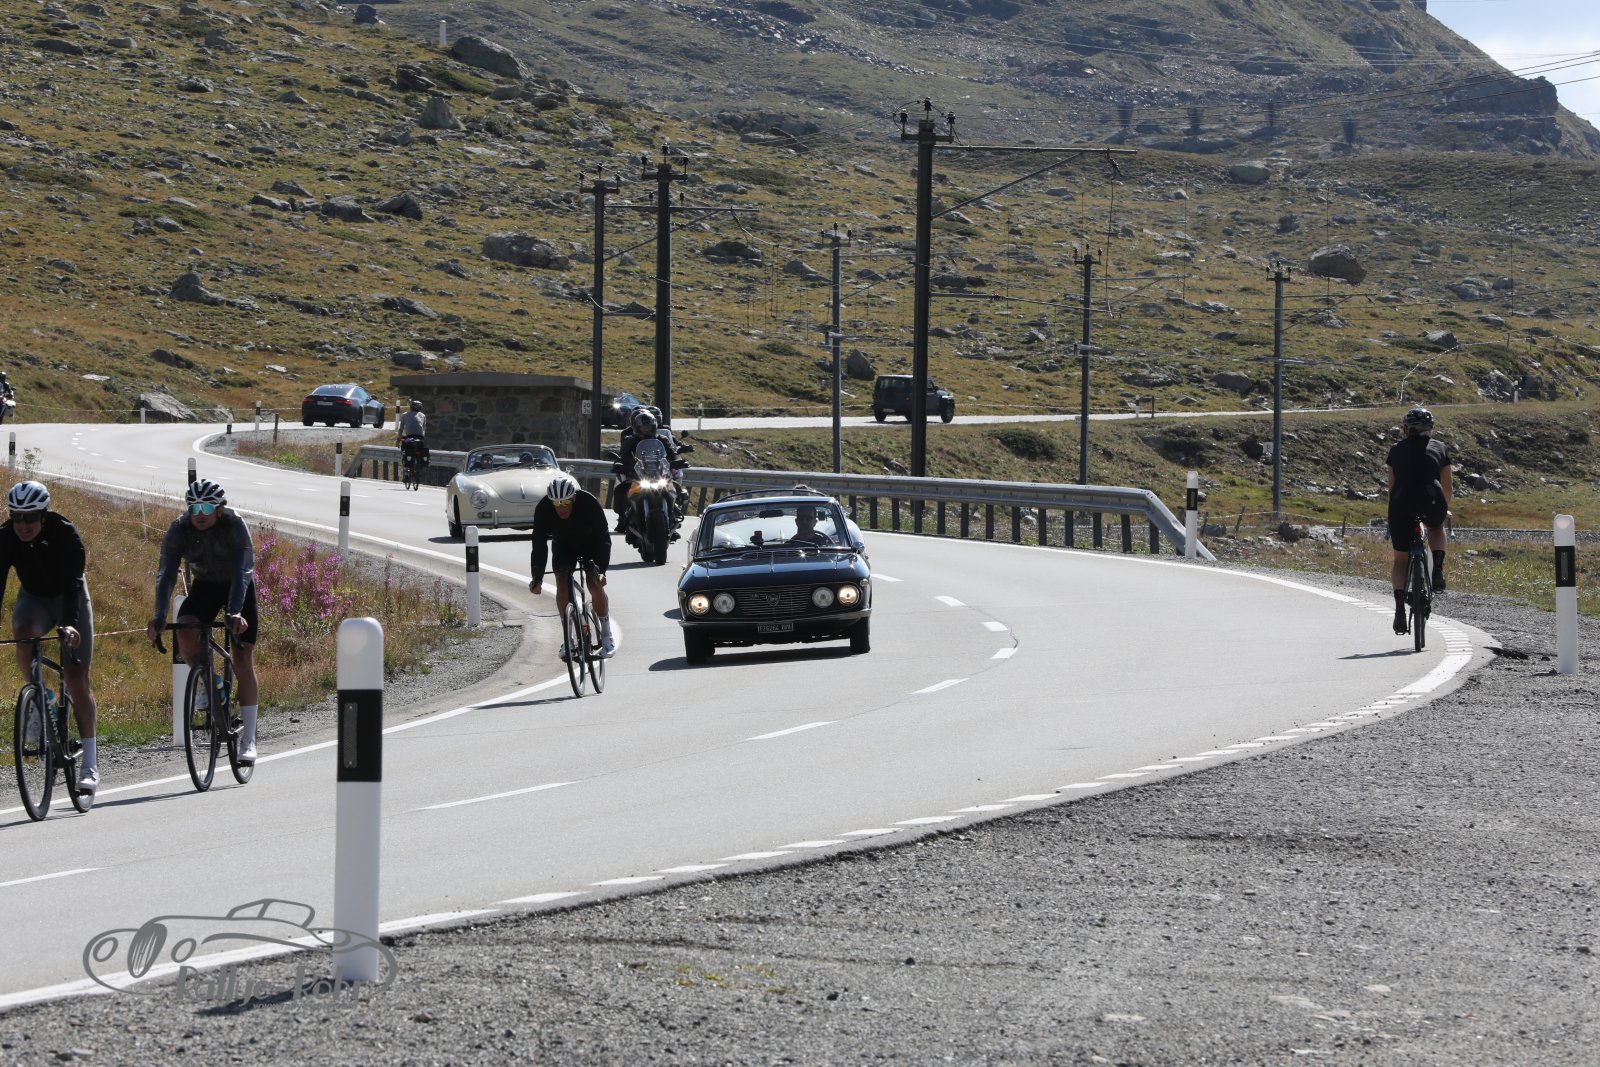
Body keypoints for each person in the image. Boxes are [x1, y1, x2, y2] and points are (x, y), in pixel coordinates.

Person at [146, 478, 261, 763]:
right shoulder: (180, 528)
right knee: (185, 631)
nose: (199, 513)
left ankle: (249, 738)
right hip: (205, 587)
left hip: (238, 587)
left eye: (206, 508)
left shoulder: (235, 525)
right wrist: (159, 615)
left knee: (242, 657)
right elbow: (166, 574)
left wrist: (235, 612)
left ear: (219, 509)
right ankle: (212, 683)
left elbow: (244, 571)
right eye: (194, 507)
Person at [0, 481, 101, 791]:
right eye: (17, 517)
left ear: (43, 516)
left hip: (70, 599)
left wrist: (69, 624)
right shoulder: (6, 536)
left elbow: (73, 584)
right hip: (34, 599)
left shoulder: (65, 534)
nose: (23, 525)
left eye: (30, 517)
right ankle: (38, 697)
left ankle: (90, 764)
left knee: (76, 677)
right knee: (23, 634)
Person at [528, 474, 614, 659]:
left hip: (591, 545)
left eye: (566, 502)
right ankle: (568, 640)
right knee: (562, 584)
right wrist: (537, 578)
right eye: (557, 504)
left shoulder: (589, 503)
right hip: (563, 547)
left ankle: (607, 636)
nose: (561, 508)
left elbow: (603, 538)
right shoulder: (543, 508)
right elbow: (539, 545)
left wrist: (601, 571)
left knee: (594, 585)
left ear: (574, 498)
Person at [1386, 406, 1453, 635]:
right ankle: (1438, 570)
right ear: (1429, 429)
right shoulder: (1440, 448)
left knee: (1400, 560)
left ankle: (1399, 609)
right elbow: (1447, 488)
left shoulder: (1395, 450)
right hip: (1431, 499)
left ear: (1406, 429)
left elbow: (1391, 488)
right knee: (1436, 527)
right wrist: (1444, 509)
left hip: (1401, 503)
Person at [611, 407, 686, 532]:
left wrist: (677, 462)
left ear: (654, 426)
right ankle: (623, 518)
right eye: (643, 427)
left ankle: (674, 513)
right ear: (637, 427)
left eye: (649, 427)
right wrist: (621, 465)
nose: (646, 429)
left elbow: (672, 454)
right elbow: (623, 457)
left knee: (677, 488)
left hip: (659, 474)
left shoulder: (662, 439)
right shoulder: (630, 441)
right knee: (620, 490)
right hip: (638, 475)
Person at [396, 399, 428, 473]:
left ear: (411, 407)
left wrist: (398, 440)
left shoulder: (405, 415)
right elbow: (423, 429)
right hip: (420, 438)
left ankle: (405, 467)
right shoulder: (423, 416)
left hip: (409, 437)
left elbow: (401, 429)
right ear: (420, 408)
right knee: (421, 449)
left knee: (404, 449)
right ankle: (420, 465)